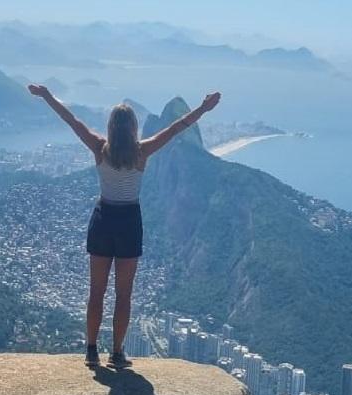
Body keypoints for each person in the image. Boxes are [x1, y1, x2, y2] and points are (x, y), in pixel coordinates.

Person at [28, 84, 221, 369]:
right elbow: (177, 128)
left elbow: (71, 121)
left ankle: (91, 350)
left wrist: (46, 96)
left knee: (96, 292)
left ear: (110, 126)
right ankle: (117, 352)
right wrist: (203, 108)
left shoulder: (98, 147)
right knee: (124, 294)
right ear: (132, 128)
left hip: (103, 219)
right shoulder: (142, 152)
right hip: (129, 222)